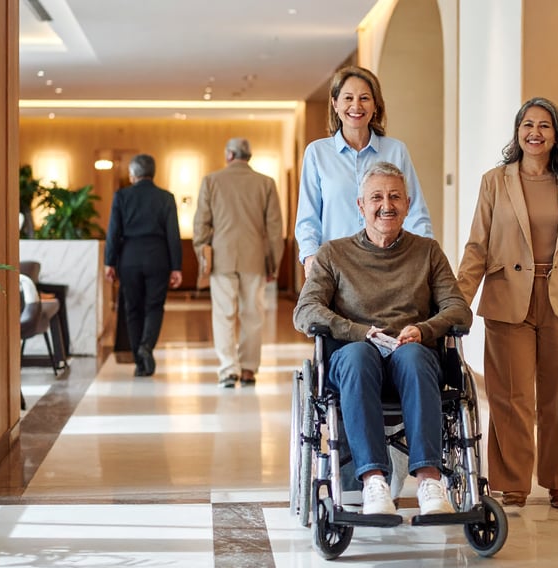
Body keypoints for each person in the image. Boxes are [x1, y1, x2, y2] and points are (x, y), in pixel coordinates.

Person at [293, 161, 472, 516]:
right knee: (359, 355)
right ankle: (373, 480)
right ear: (360, 206)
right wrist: (359, 332)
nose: (385, 205)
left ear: (407, 204)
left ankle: (428, 480)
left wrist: (424, 330)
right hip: (354, 356)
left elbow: (458, 309)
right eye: (376, 197)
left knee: (417, 356)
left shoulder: (427, 252)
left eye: (394, 197)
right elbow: (305, 311)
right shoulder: (333, 254)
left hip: (411, 357)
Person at [456, 97, 558, 509]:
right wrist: (458, 302)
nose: (534, 133)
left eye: (543, 125)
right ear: (517, 132)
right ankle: (513, 483)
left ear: (556, 135)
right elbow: (477, 247)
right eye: (527, 124)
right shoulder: (495, 181)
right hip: (508, 300)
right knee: (510, 396)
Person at [295, 65, 434, 278]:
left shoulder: (396, 150)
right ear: (335, 104)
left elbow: (414, 210)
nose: (356, 106)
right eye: (348, 98)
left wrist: (426, 255)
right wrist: (310, 256)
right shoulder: (317, 153)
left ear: (376, 105)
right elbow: (308, 217)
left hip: (390, 264)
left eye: (364, 98)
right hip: (336, 266)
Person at [193, 138, 284, 388]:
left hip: (221, 258)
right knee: (253, 315)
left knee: (223, 314)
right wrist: (273, 263)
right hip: (255, 259)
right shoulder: (266, 183)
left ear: (229, 155)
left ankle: (227, 370)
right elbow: (275, 229)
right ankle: (248, 370)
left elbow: (201, 223)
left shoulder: (211, 181)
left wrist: (203, 252)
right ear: (249, 156)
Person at [104, 154, 183, 377]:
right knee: (154, 306)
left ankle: (140, 361)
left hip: (129, 258)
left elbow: (113, 232)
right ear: (153, 173)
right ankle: (146, 345)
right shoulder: (165, 197)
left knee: (132, 309)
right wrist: (176, 266)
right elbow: (173, 235)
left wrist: (109, 262)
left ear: (133, 175)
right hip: (158, 258)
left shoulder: (122, 196)